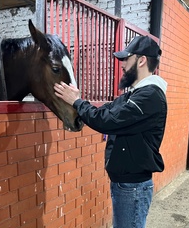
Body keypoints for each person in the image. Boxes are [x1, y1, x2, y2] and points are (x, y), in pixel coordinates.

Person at [54, 35, 167, 228]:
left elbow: (106, 120)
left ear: (141, 60)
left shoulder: (149, 96)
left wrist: (77, 102)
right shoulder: (135, 94)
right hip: (127, 184)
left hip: (132, 186)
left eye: (126, 59)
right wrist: (80, 102)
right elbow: (107, 110)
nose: (122, 65)